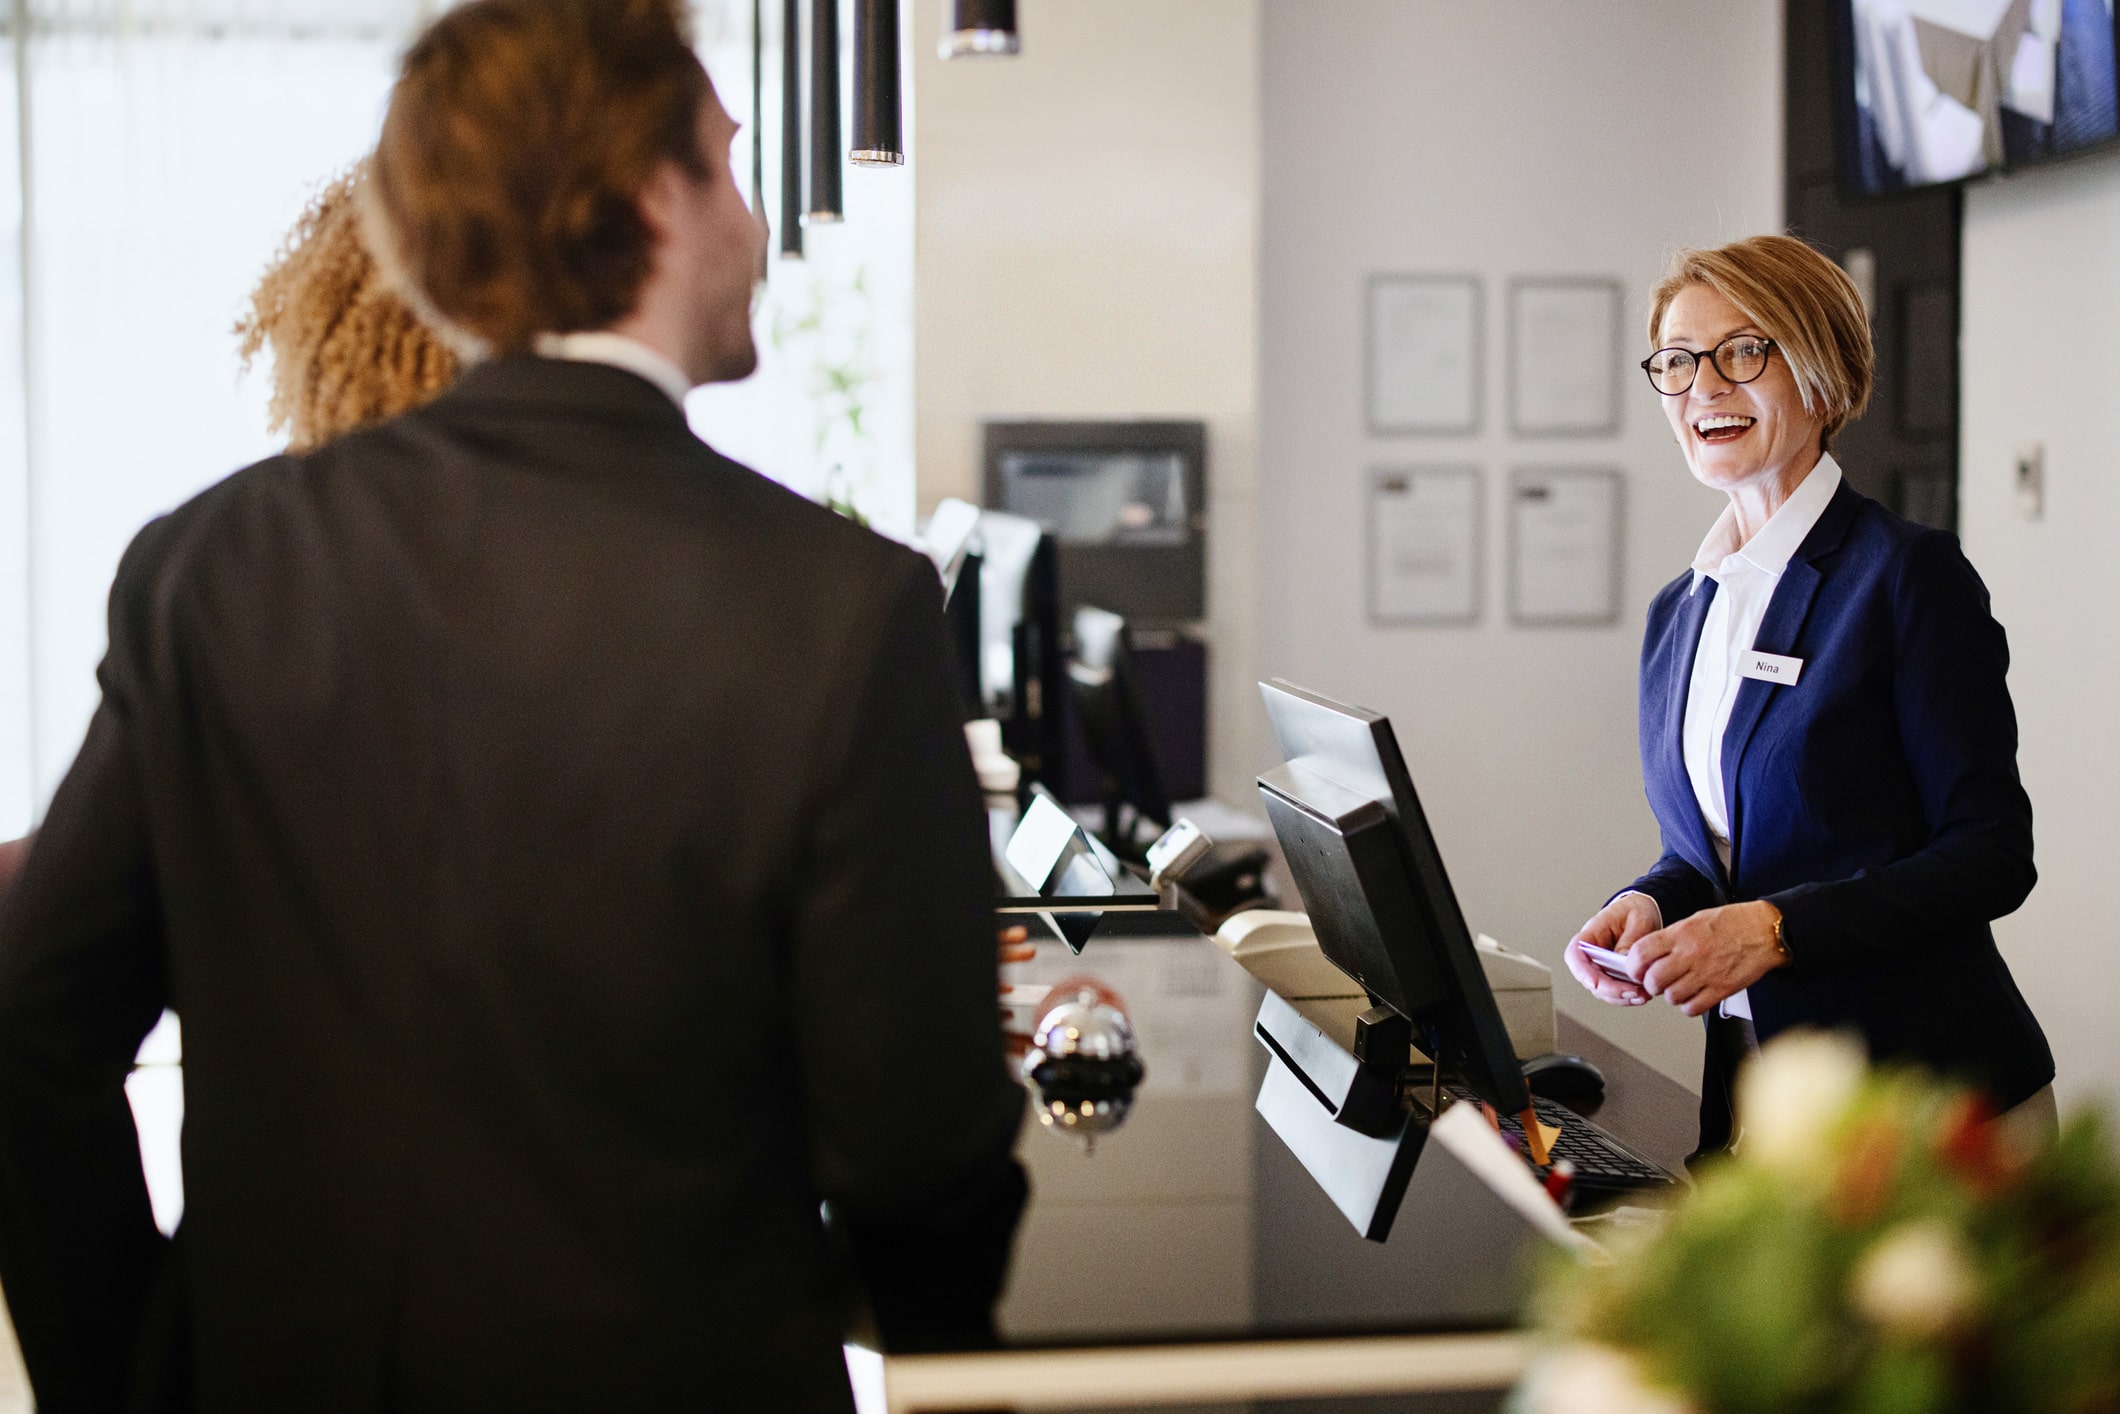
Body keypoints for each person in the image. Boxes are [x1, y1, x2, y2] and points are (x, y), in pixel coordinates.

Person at [0, 1, 1026, 1409]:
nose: (753, 217)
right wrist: (928, 1332)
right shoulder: (845, 605)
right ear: (654, 198)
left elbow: (34, 1022)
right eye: (727, 164)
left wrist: (128, 1376)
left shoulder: (209, 564)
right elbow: (920, 1153)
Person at [1564, 234, 2054, 1161]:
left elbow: (1993, 852)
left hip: (1926, 1109)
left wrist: (1776, 931)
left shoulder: (1905, 577)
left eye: (1743, 352)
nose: (1704, 385)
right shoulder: (1684, 608)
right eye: (1677, 361)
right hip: (1759, 1088)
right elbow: (1714, 852)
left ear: (1823, 375)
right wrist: (1652, 903)